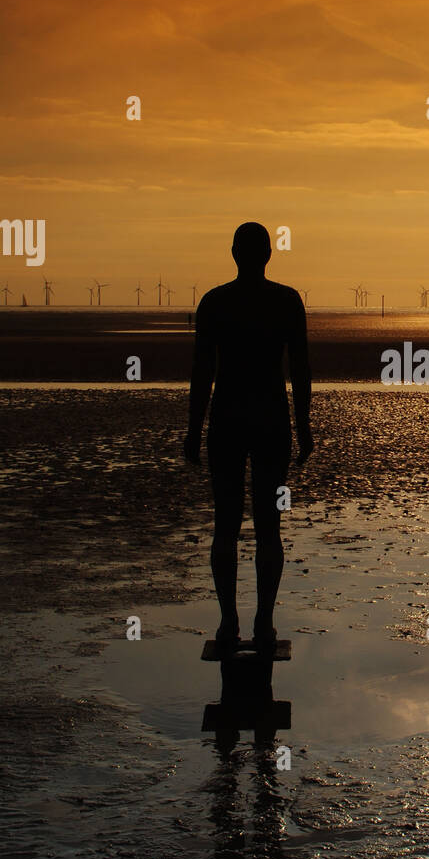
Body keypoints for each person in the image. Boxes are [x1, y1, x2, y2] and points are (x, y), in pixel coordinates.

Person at [183, 222, 313, 653]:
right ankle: (264, 621)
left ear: (234, 254)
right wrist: (304, 425)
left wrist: (193, 428)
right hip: (272, 421)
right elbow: (301, 369)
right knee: (269, 525)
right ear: (268, 255)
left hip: (227, 420)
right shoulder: (286, 302)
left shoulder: (215, 302)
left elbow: (202, 372)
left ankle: (228, 621)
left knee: (226, 523)